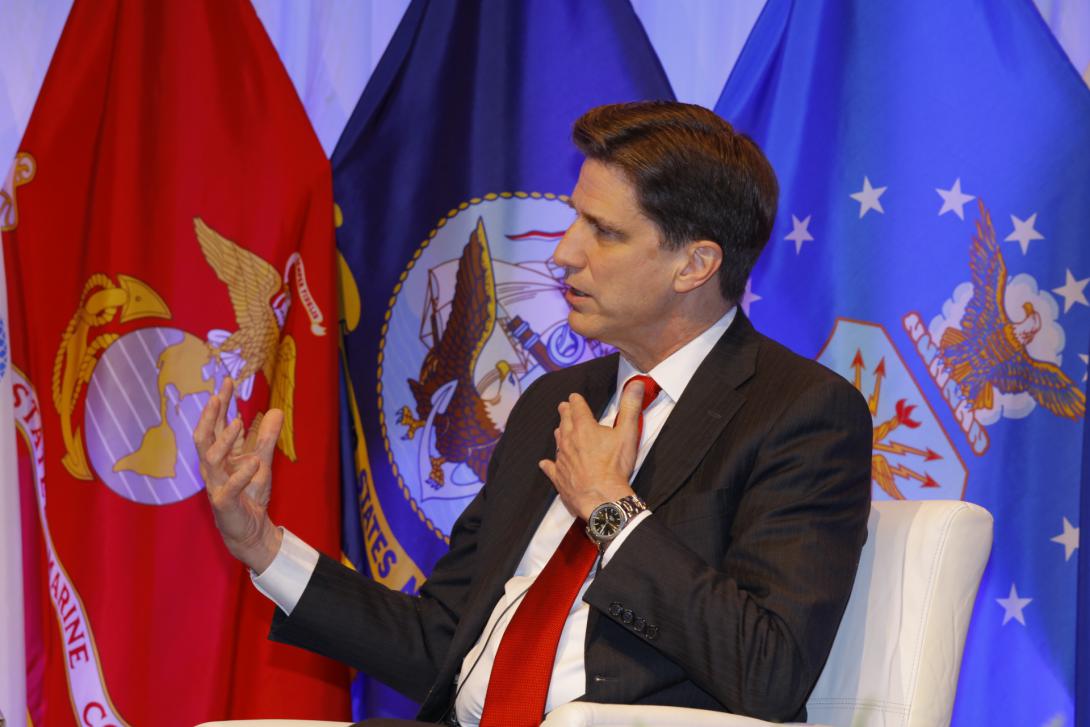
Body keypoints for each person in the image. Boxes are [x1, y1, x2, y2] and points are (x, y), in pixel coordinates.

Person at [196, 101, 873, 726]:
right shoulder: (555, 401)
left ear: (694, 264)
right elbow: (442, 638)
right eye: (578, 218)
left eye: (603, 231)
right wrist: (263, 545)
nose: (564, 252)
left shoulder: (800, 412)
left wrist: (610, 510)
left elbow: (770, 672)